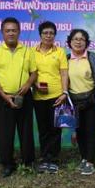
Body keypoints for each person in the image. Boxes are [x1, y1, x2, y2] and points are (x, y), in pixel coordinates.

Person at [0, 17, 37, 177]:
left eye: (14, 30)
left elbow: (34, 72)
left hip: (24, 97)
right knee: (5, 133)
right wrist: (3, 95)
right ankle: (7, 164)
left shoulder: (27, 50)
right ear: (2, 33)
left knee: (26, 131)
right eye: (7, 30)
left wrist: (28, 84)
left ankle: (28, 162)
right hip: (4, 97)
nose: (11, 33)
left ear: (19, 32)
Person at [66, 29, 95, 175]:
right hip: (73, 102)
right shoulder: (66, 59)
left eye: (82, 39)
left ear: (86, 42)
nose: (78, 42)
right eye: (75, 39)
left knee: (90, 131)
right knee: (79, 131)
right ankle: (84, 158)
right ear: (70, 42)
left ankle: (90, 161)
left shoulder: (92, 57)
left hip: (91, 100)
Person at [32, 21, 68, 174]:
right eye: (45, 33)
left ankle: (53, 159)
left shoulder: (60, 52)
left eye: (51, 33)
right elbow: (30, 73)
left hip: (56, 96)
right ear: (40, 35)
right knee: (43, 129)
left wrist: (64, 92)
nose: (48, 36)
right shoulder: (32, 52)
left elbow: (64, 73)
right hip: (38, 96)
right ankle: (44, 158)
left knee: (55, 129)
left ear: (55, 35)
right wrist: (35, 85)